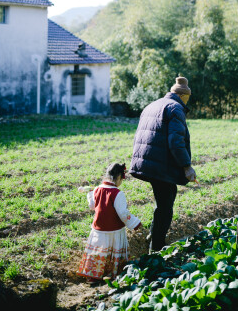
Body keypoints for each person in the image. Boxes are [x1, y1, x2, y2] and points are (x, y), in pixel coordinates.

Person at [129, 76, 197, 252]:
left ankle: (153, 234)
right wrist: (187, 166)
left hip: (146, 161)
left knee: (163, 200)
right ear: (183, 96)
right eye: (188, 97)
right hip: (159, 164)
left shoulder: (153, 105)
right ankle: (156, 248)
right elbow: (176, 141)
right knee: (166, 205)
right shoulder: (176, 108)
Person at [77, 162, 142, 283]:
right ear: (118, 177)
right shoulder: (117, 193)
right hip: (114, 230)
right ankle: (113, 272)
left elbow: (92, 206)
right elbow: (123, 213)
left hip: (98, 229)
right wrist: (135, 223)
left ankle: (94, 274)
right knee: (112, 251)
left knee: (98, 250)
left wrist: (90, 193)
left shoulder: (97, 189)